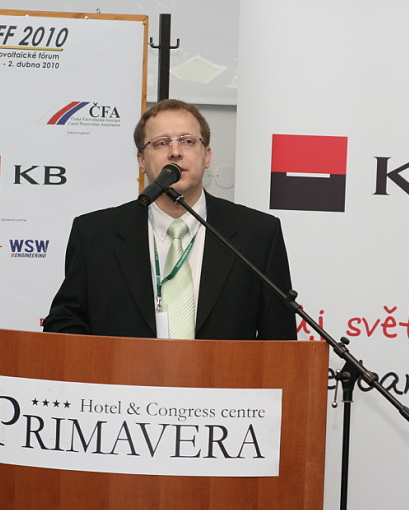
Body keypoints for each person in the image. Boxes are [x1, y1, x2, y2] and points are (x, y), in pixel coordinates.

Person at [42, 99, 296, 340]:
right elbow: (64, 323)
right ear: (142, 160)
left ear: (207, 155)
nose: (175, 152)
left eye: (187, 141)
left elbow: (279, 338)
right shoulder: (95, 234)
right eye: (161, 143)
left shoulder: (258, 234)